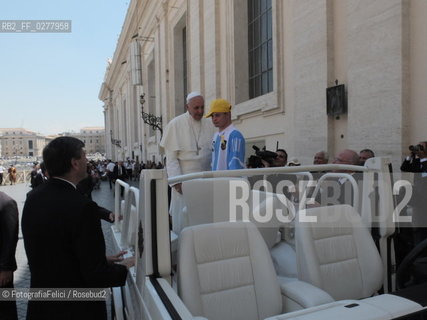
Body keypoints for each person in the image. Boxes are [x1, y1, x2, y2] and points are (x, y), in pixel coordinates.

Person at [22, 137, 134, 320]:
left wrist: (100, 259)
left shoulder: (33, 197)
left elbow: (53, 252)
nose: (87, 161)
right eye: (84, 156)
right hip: (77, 309)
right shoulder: (83, 207)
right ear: (74, 163)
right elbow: (96, 276)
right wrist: (125, 267)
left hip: (41, 308)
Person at [160, 91, 214, 233]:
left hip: (206, 180)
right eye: (196, 108)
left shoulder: (209, 123)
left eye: (202, 107)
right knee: (184, 220)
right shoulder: (175, 124)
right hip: (184, 181)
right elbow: (171, 160)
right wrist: (177, 183)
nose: (200, 111)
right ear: (187, 107)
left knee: (204, 219)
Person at [205, 98, 245, 170]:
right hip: (217, 180)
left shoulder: (235, 135)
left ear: (228, 114)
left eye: (217, 115)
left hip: (229, 180)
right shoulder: (216, 136)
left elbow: (235, 164)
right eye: (212, 116)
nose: (214, 119)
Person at [0, 191, 19, 320]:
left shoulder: (6, 203)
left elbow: (10, 239)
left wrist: (6, 268)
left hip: (1, 271)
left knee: (5, 311)